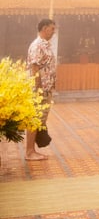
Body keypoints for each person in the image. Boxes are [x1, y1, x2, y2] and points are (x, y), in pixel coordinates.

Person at [26, 18, 57, 161]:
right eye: (52, 28)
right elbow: (34, 68)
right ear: (44, 28)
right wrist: (38, 89)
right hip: (39, 90)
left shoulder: (46, 45)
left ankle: (33, 148)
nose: (53, 31)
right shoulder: (37, 45)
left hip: (46, 89)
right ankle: (30, 151)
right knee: (35, 118)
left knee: (39, 119)